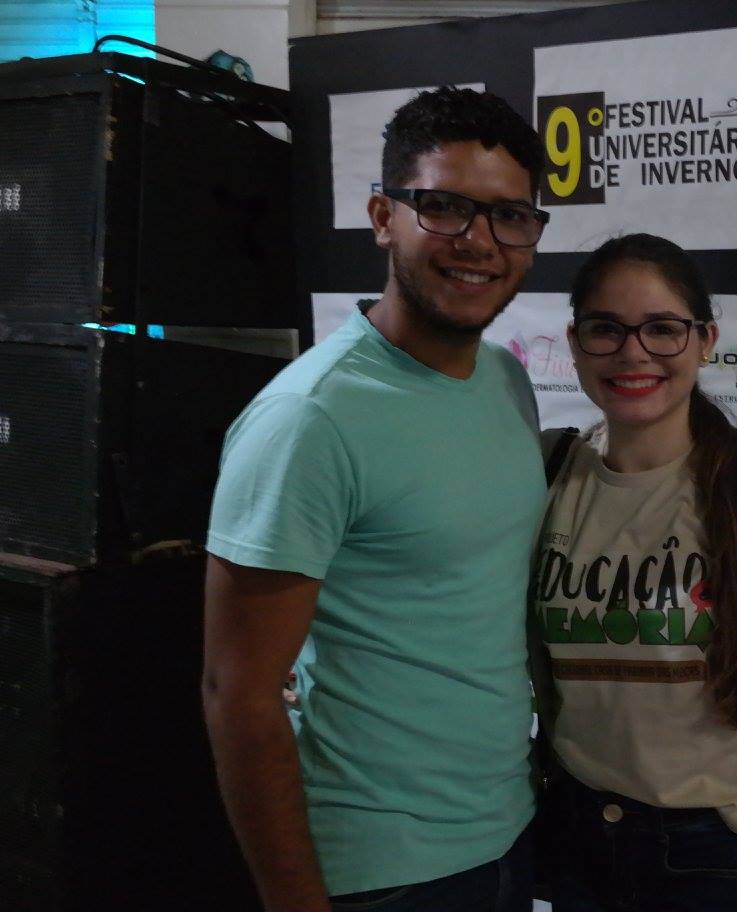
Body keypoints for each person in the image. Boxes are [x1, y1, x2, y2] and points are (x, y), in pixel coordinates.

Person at [201, 87, 549, 912]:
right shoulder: (309, 418)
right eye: (444, 207)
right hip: (380, 872)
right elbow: (238, 693)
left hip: (508, 832)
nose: (479, 241)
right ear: (383, 217)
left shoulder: (506, 379)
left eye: (509, 216)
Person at [533, 233, 737, 912]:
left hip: (713, 852)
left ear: (705, 341)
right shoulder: (548, 470)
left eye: (662, 329)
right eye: (606, 328)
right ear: (575, 342)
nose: (633, 352)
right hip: (578, 839)